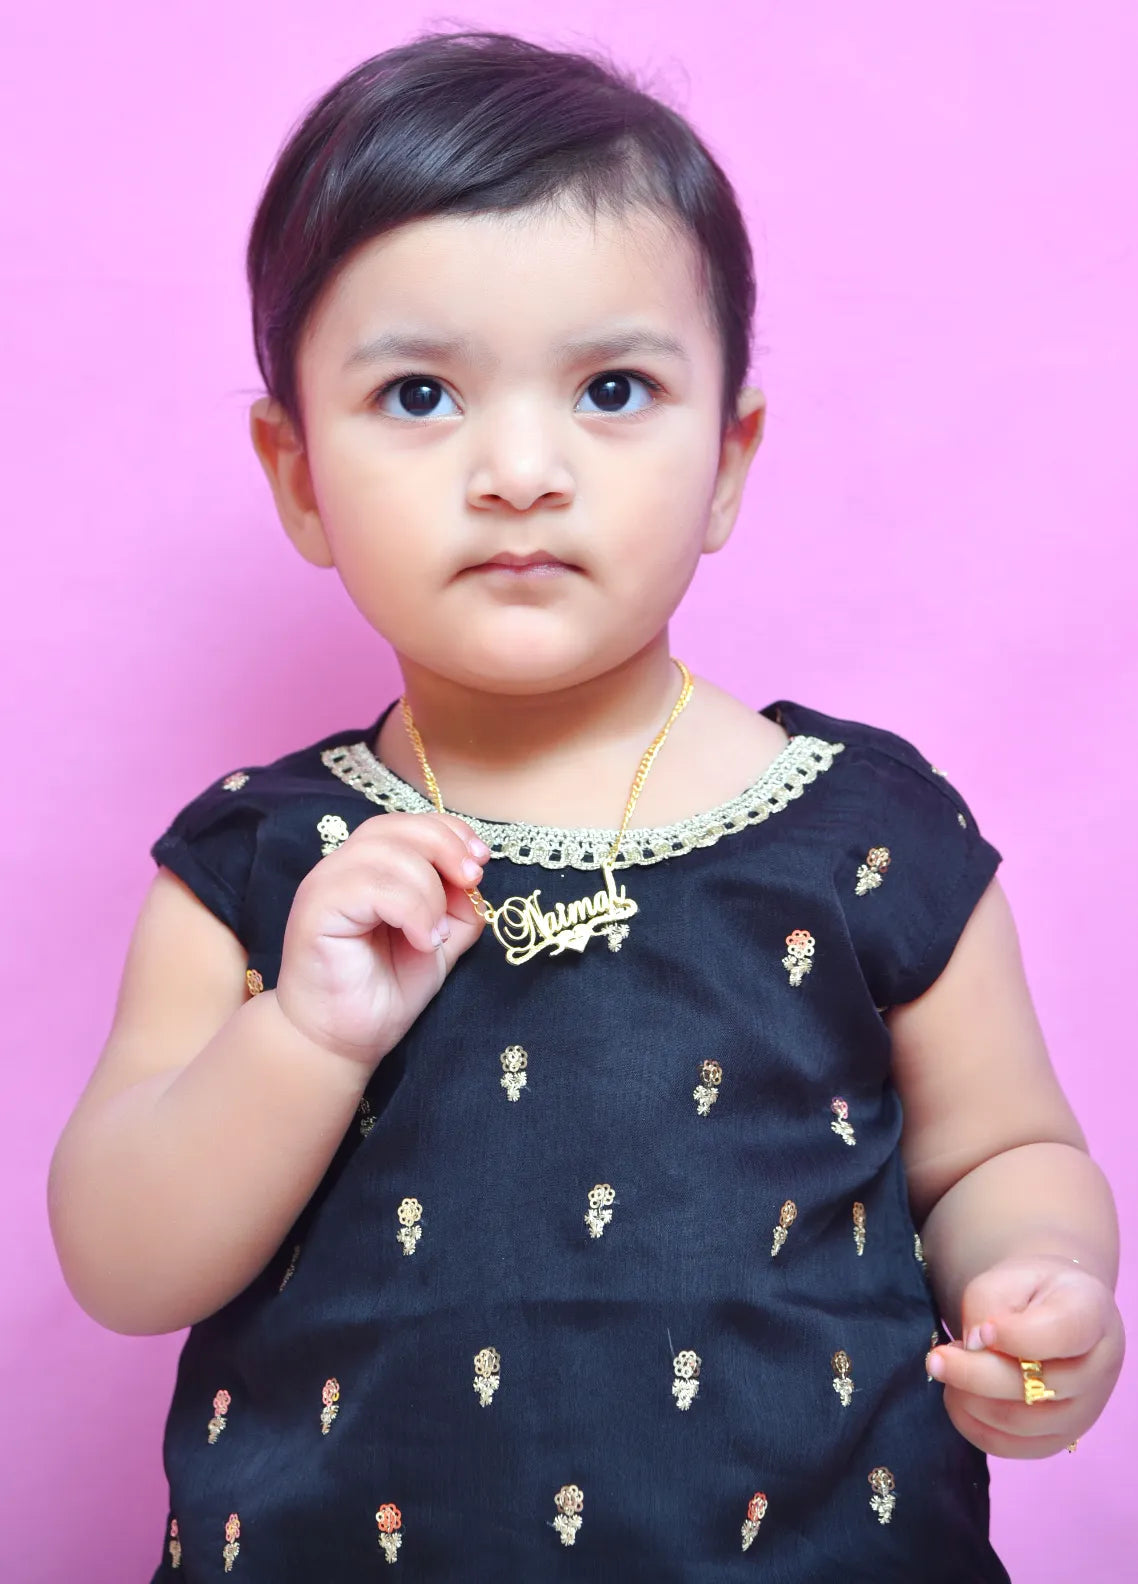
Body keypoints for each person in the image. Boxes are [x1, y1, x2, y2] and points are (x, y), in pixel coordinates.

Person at [47, 28, 1123, 1582]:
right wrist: (306, 1039)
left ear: (727, 460)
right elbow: (124, 1261)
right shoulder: (258, 863)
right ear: (295, 474)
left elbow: (996, 1151)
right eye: (419, 393)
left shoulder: (868, 835)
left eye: (612, 388)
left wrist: (1038, 1276)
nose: (519, 469)